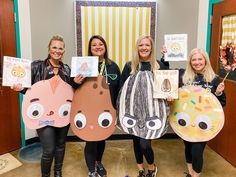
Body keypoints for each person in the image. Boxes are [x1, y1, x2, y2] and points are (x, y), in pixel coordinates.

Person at [11, 35, 83, 177]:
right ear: (49, 49)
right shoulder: (37, 66)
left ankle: (58, 172)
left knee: (61, 145)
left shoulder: (67, 70)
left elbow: (69, 92)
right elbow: (31, 91)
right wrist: (21, 89)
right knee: (49, 149)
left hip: (62, 115)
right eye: (54, 47)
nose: (57, 50)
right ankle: (46, 175)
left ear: (64, 50)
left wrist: (76, 83)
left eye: (60, 48)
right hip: (44, 116)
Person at [120, 35, 169, 177]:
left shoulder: (159, 65)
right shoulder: (130, 66)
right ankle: (141, 170)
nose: (144, 48)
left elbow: (168, 85)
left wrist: (166, 57)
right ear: (137, 48)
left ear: (151, 47)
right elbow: (122, 89)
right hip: (133, 111)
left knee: (144, 144)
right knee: (136, 141)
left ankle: (152, 167)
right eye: (141, 45)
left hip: (151, 112)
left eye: (147, 45)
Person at [179, 48, 226, 177]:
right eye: (194, 59)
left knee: (197, 151)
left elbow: (221, 104)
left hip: (203, 125)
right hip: (187, 123)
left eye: (200, 59)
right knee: (188, 148)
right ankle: (190, 173)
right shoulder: (185, 78)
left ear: (205, 60)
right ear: (190, 62)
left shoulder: (214, 79)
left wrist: (218, 93)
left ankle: (195, 175)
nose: (197, 62)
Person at [84, 35, 121, 177]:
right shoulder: (84, 65)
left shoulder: (113, 66)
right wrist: (76, 80)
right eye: (94, 45)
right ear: (90, 48)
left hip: (107, 110)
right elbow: (74, 87)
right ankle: (92, 170)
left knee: (101, 138)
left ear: (105, 48)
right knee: (91, 140)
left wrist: (117, 110)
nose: (98, 47)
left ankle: (98, 162)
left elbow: (119, 89)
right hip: (89, 110)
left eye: (101, 44)